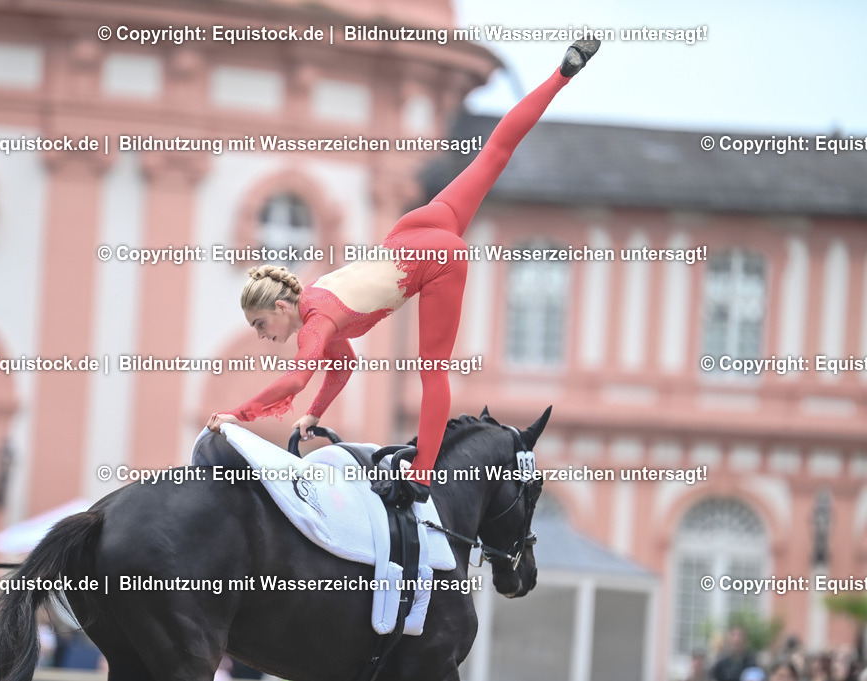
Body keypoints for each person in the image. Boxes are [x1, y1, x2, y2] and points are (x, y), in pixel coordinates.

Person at [207, 38, 600, 506]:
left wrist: (235, 414)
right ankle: (562, 74)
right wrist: (313, 415)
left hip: (434, 261)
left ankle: (423, 472)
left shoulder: (316, 324)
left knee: (433, 370)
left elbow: (295, 378)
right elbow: (344, 367)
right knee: (494, 151)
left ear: (279, 306)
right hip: (415, 229)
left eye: (260, 324)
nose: (261, 334)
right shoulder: (317, 301)